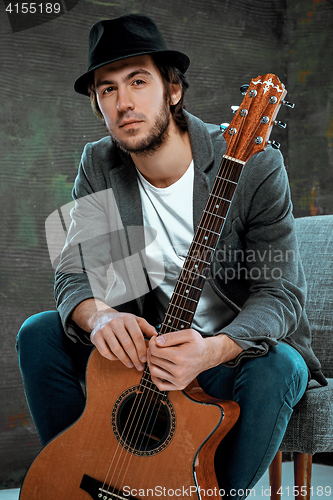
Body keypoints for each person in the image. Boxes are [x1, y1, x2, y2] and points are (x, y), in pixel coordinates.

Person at [17, 13, 326, 499]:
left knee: (281, 367)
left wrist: (212, 349)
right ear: (98, 104)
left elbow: (281, 294)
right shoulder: (100, 163)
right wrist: (98, 318)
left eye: (138, 81)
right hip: (146, 354)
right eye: (107, 89)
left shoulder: (253, 161)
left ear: (173, 90)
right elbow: (74, 273)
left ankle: (207, 493)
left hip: (229, 356)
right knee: (39, 333)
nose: (124, 102)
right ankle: (75, 481)